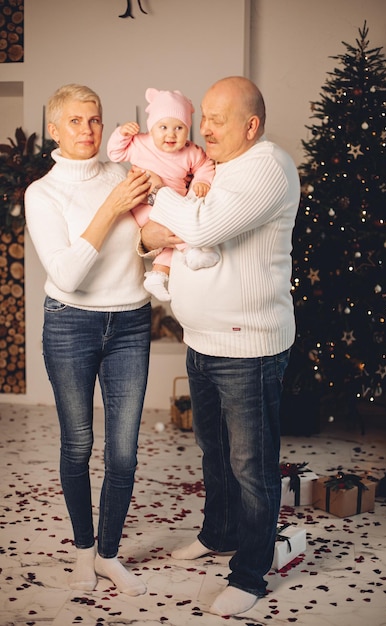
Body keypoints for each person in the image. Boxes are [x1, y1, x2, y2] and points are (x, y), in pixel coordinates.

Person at [139, 76, 300, 616]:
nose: (202, 128)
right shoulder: (217, 169)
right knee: (215, 454)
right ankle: (219, 533)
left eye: (217, 118)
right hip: (203, 341)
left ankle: (251, 575)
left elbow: (202, 228)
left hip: (248, 348)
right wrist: (169, 215)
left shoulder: (267, 167)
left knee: (252, 466)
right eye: (202, 116)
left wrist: (160, 187)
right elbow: (167, 233)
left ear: (251, 126)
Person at [25, 84, 153, 596]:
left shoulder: (126, 173)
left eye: (95, 120)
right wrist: (111, 207)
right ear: (53, 129)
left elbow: (144, 244)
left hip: (131, 323)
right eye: (75, 122)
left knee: (124, 453)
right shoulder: (43, 193)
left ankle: (108, 555)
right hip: (70, 323)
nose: (88, 131)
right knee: (78, 443)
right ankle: (83, 549)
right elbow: (69, 274)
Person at [107, 87, 218, 301]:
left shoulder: (191, 151)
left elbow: (205, 165)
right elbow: (115, 152)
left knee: (169, 239)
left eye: (179, 127)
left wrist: (202, 182)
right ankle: (192, 252)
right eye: (163, 127)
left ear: (187, 130)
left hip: (174, 204)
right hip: (144, 205)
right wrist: (121, 134)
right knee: (175, 228)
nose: (171, 134)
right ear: (152, 128)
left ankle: (157, 275)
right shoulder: (141, 143)